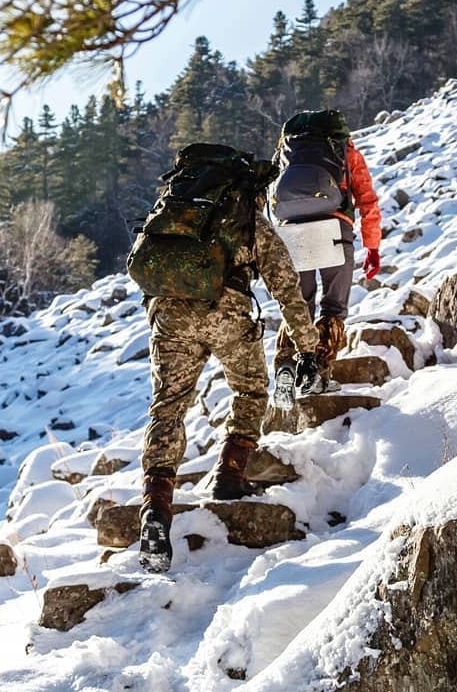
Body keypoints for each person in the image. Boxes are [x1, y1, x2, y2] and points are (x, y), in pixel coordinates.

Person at [135, 155, 322, 575]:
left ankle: (155, 508)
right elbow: (286, 290)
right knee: (251, 389)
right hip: (226, 313)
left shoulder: (178, 208)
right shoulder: (247, 219)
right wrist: (308, 347)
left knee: (168, 408)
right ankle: (231, 473)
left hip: (170, 317)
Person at [272, 110, 382, 391]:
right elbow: (366, 199)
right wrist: (372, 247)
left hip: (292, 230)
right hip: (334, 227)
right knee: (333, 307)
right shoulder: (344, 150)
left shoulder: (287, 151)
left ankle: (286, 362)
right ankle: (316, 372)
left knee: (299, 305)